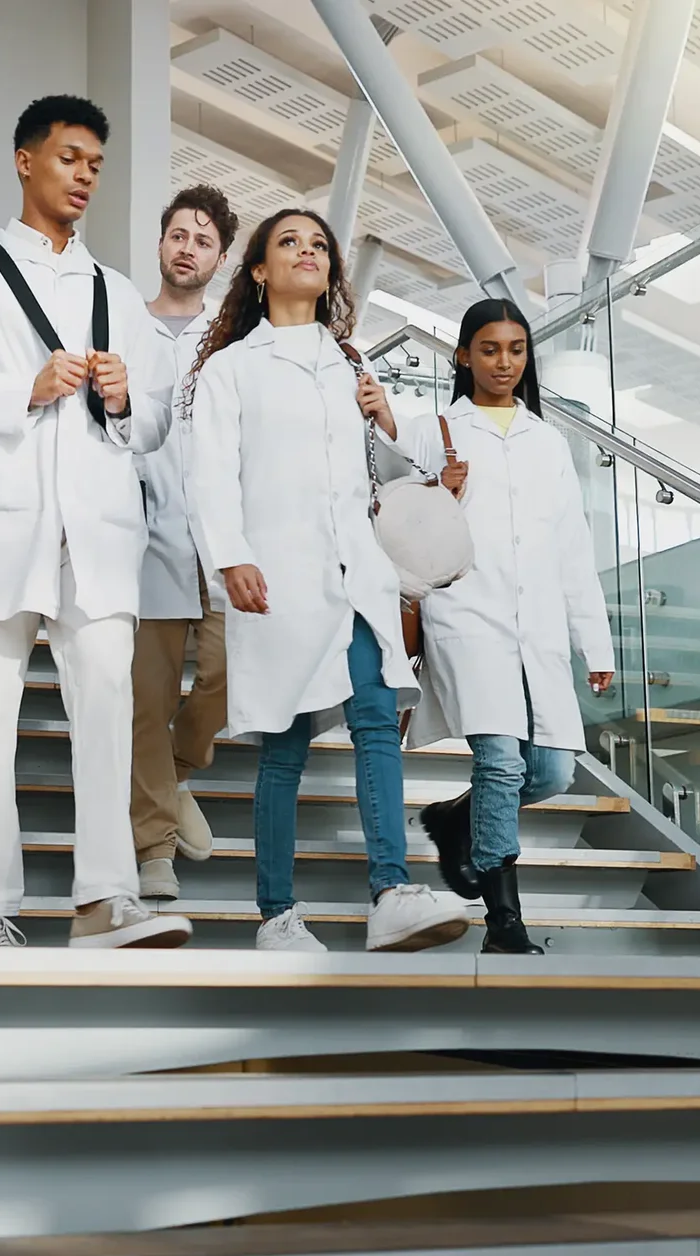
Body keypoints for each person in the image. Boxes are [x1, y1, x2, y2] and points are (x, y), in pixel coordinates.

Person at [0, 94, 192, 951]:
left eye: (96, 163)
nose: (85, 176)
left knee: (105, 714)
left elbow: (158, 421)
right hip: (0, 527)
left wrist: (126, 395)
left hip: (96, 533)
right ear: (25, 160)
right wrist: (20, 388)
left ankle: (104, 899)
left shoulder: (118, 292)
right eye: (69, 158)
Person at [182, 208, 472, 953]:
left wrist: (385, 418)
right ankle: (276, 915)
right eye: (290, 243)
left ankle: (391, 891)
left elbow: (387, 480)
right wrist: (230, 556)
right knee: (285, 743)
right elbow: (208, 473)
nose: (307, 252)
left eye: (319, 244)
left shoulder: (350, 366)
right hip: (277, 578)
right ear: (258, 271)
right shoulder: (231, 368)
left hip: (357, 575)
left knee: (376, 716)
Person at [408, 299, 616, 955]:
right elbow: (391, 519)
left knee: (550, 773)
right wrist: (439, 490)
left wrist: (596, 642)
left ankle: (453, 819)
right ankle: (504, 921)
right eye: (490, 348)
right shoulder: (430, 428)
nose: (504, 362)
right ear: (463, 355)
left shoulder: (548, 441)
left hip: (539, 625)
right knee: (500, 763)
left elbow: (572, 548)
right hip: (465, 611)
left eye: (517, 349)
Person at [129, 185, 238, 902]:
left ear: (221, 258)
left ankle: (174, 773)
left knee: (231, 678)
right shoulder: (120, 329)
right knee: (147, 697)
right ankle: (153, 852)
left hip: (224, 539)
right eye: (178, 234)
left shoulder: (232, 344)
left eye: (202, 239)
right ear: (161, 243)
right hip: (143, 541)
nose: (187, 247)